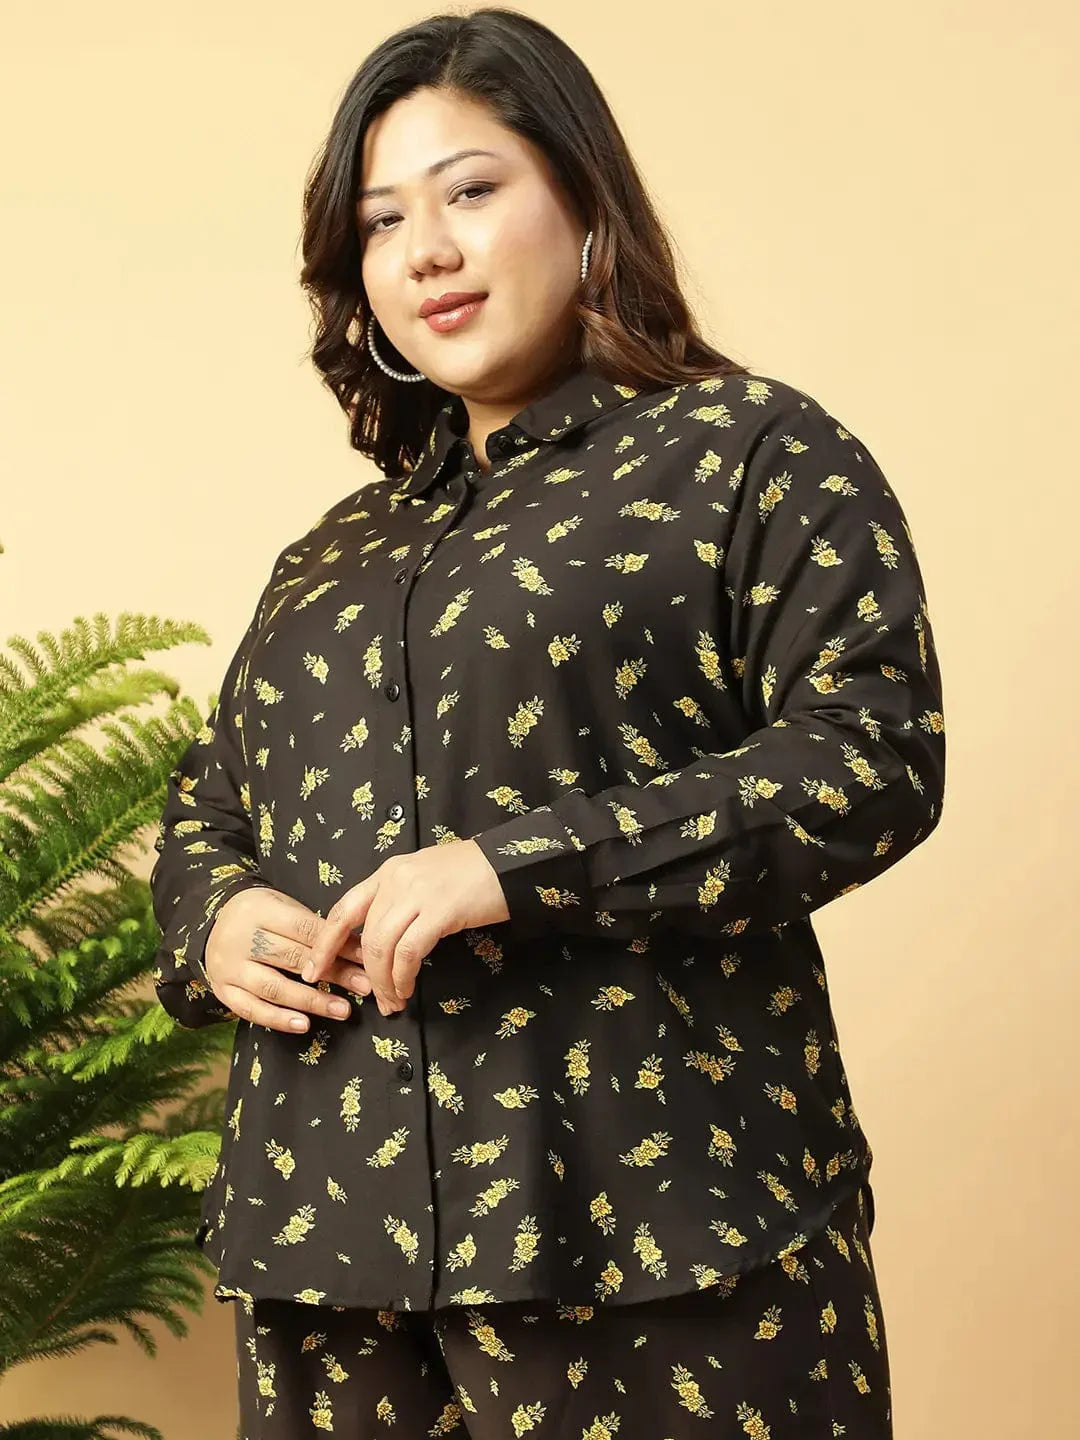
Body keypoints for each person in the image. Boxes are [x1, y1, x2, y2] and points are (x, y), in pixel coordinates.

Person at [149, 8, 945, 1437]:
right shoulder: (329, 557)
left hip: (664, 1237)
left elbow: (868, 757)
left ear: (585, 202)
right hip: (330, 1262)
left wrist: (515, 866)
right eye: (382, 221)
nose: (426, 251)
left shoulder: (749, 455)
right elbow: (214, 797)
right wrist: (213, 917)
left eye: (469, 190)